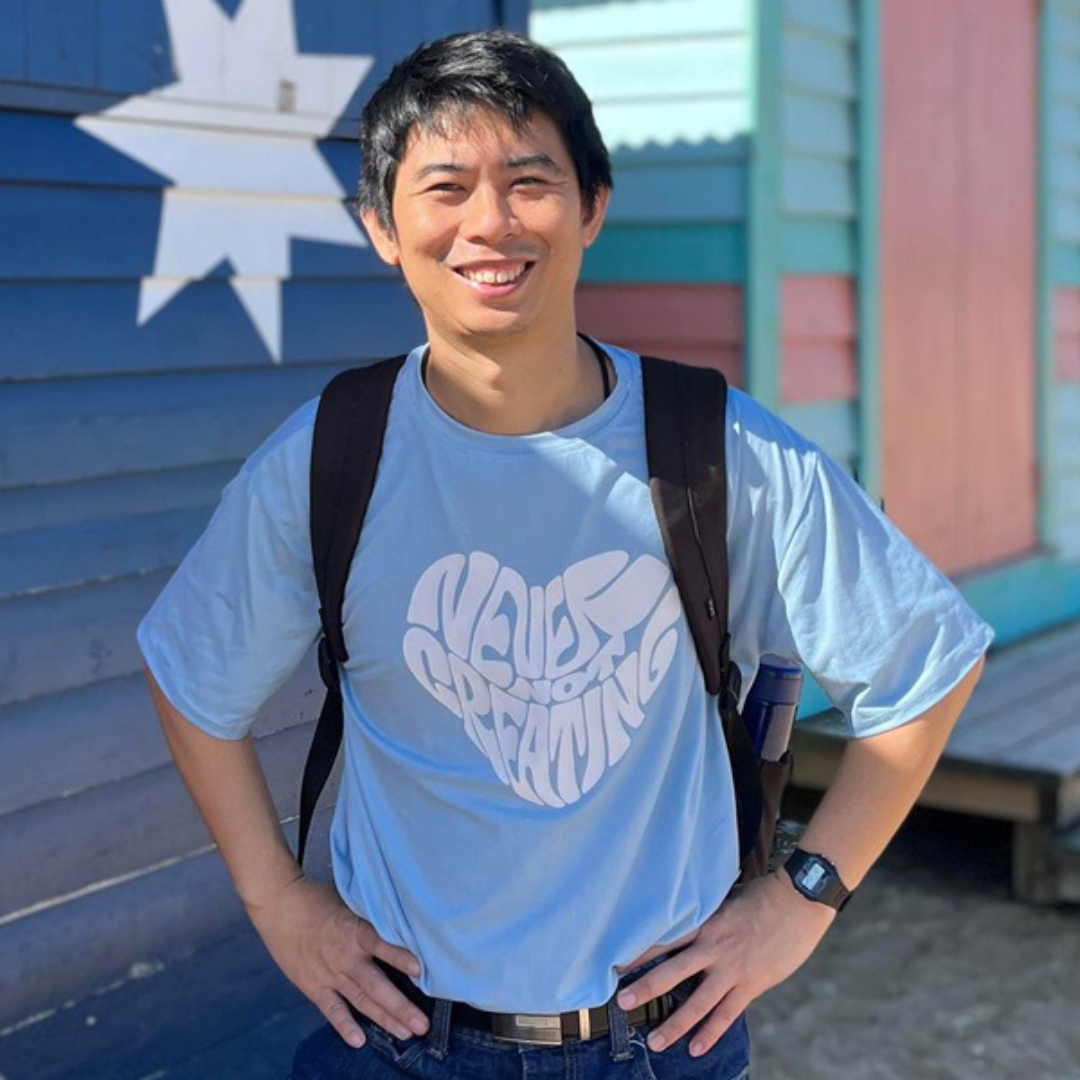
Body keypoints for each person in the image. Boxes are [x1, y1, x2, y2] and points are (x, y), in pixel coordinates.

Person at [136, 29, 994, 1080]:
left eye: (530, 181)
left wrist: (804, 898)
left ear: (592, 207)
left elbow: (925, 666)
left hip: (661, 1046)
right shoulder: (331, 454)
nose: (490, 223)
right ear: (382, 229)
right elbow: (190, 675)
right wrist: (277, 901)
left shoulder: (716, 447)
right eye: (444, 187)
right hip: (398, 1044)